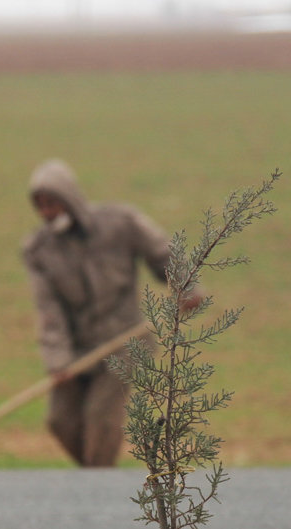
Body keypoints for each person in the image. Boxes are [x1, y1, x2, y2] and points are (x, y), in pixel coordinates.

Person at [22, 159, 199, 467]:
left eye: (53, 203)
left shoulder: (120, 223)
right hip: (76, 349)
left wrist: (185, 286)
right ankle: (97, 481)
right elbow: (48, 310)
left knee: (101, 420)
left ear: (70, 198)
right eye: (41, 206)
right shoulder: (39, 250)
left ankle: (96, 487)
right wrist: (58, 360)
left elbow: (162, 253)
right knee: (61, 422)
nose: (47, 212)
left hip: (125, 342)